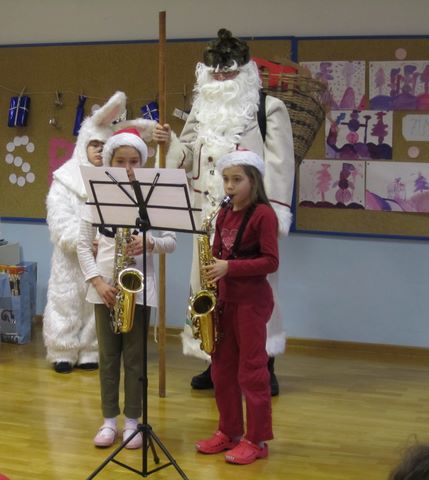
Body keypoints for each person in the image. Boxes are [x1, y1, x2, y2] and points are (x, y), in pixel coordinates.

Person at [153, 28, 294, 395]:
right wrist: (169, 144)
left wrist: (274, 216)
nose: (221, 79)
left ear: (244, 71)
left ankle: (263, 361)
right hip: (208, 215)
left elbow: (280, 166)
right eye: (215, 73)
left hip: (250, 216)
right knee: (208, 287)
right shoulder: (200, 110)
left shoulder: (268, 109)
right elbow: (185, 155)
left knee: (254, 291)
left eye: (228, 72)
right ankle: (214, 359)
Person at [77, 126, 176, 449]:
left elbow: (171, 241)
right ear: (109, 161)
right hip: (104, 289)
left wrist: (150, 243)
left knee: (135, 360)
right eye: (121, 161)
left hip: (139, 290)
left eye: (134, 161)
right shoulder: (95, 196)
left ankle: (133, 421)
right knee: (108, 358)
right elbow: (82, 245)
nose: (128, 168)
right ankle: (109, 421)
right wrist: (97, 282)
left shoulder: (153, 197)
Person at [195, 149, 278, 465]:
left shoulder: (263, 215)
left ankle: (257, 439)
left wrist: (229, 267)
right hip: (224, 301)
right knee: (221, 369)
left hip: (252, 302)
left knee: (252, 372)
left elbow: (270, 261)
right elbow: (218, 252)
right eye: (226, 179)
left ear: (253, 181)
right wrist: (213, 274)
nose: (229, 186)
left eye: (237, 180)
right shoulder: (224, 213)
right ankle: (228, 431)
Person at [43, 91, 127, 374]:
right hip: (69, 258)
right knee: (65, 301)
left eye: (104, 146)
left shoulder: (115, 181)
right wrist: (79, 241)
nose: (99, 151)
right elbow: (58, 217)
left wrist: (102, 244)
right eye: (94, 145)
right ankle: (62, 350)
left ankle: (91, 349)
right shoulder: (64, 178)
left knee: (96, 305)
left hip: (102, 256)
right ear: (83, 145)